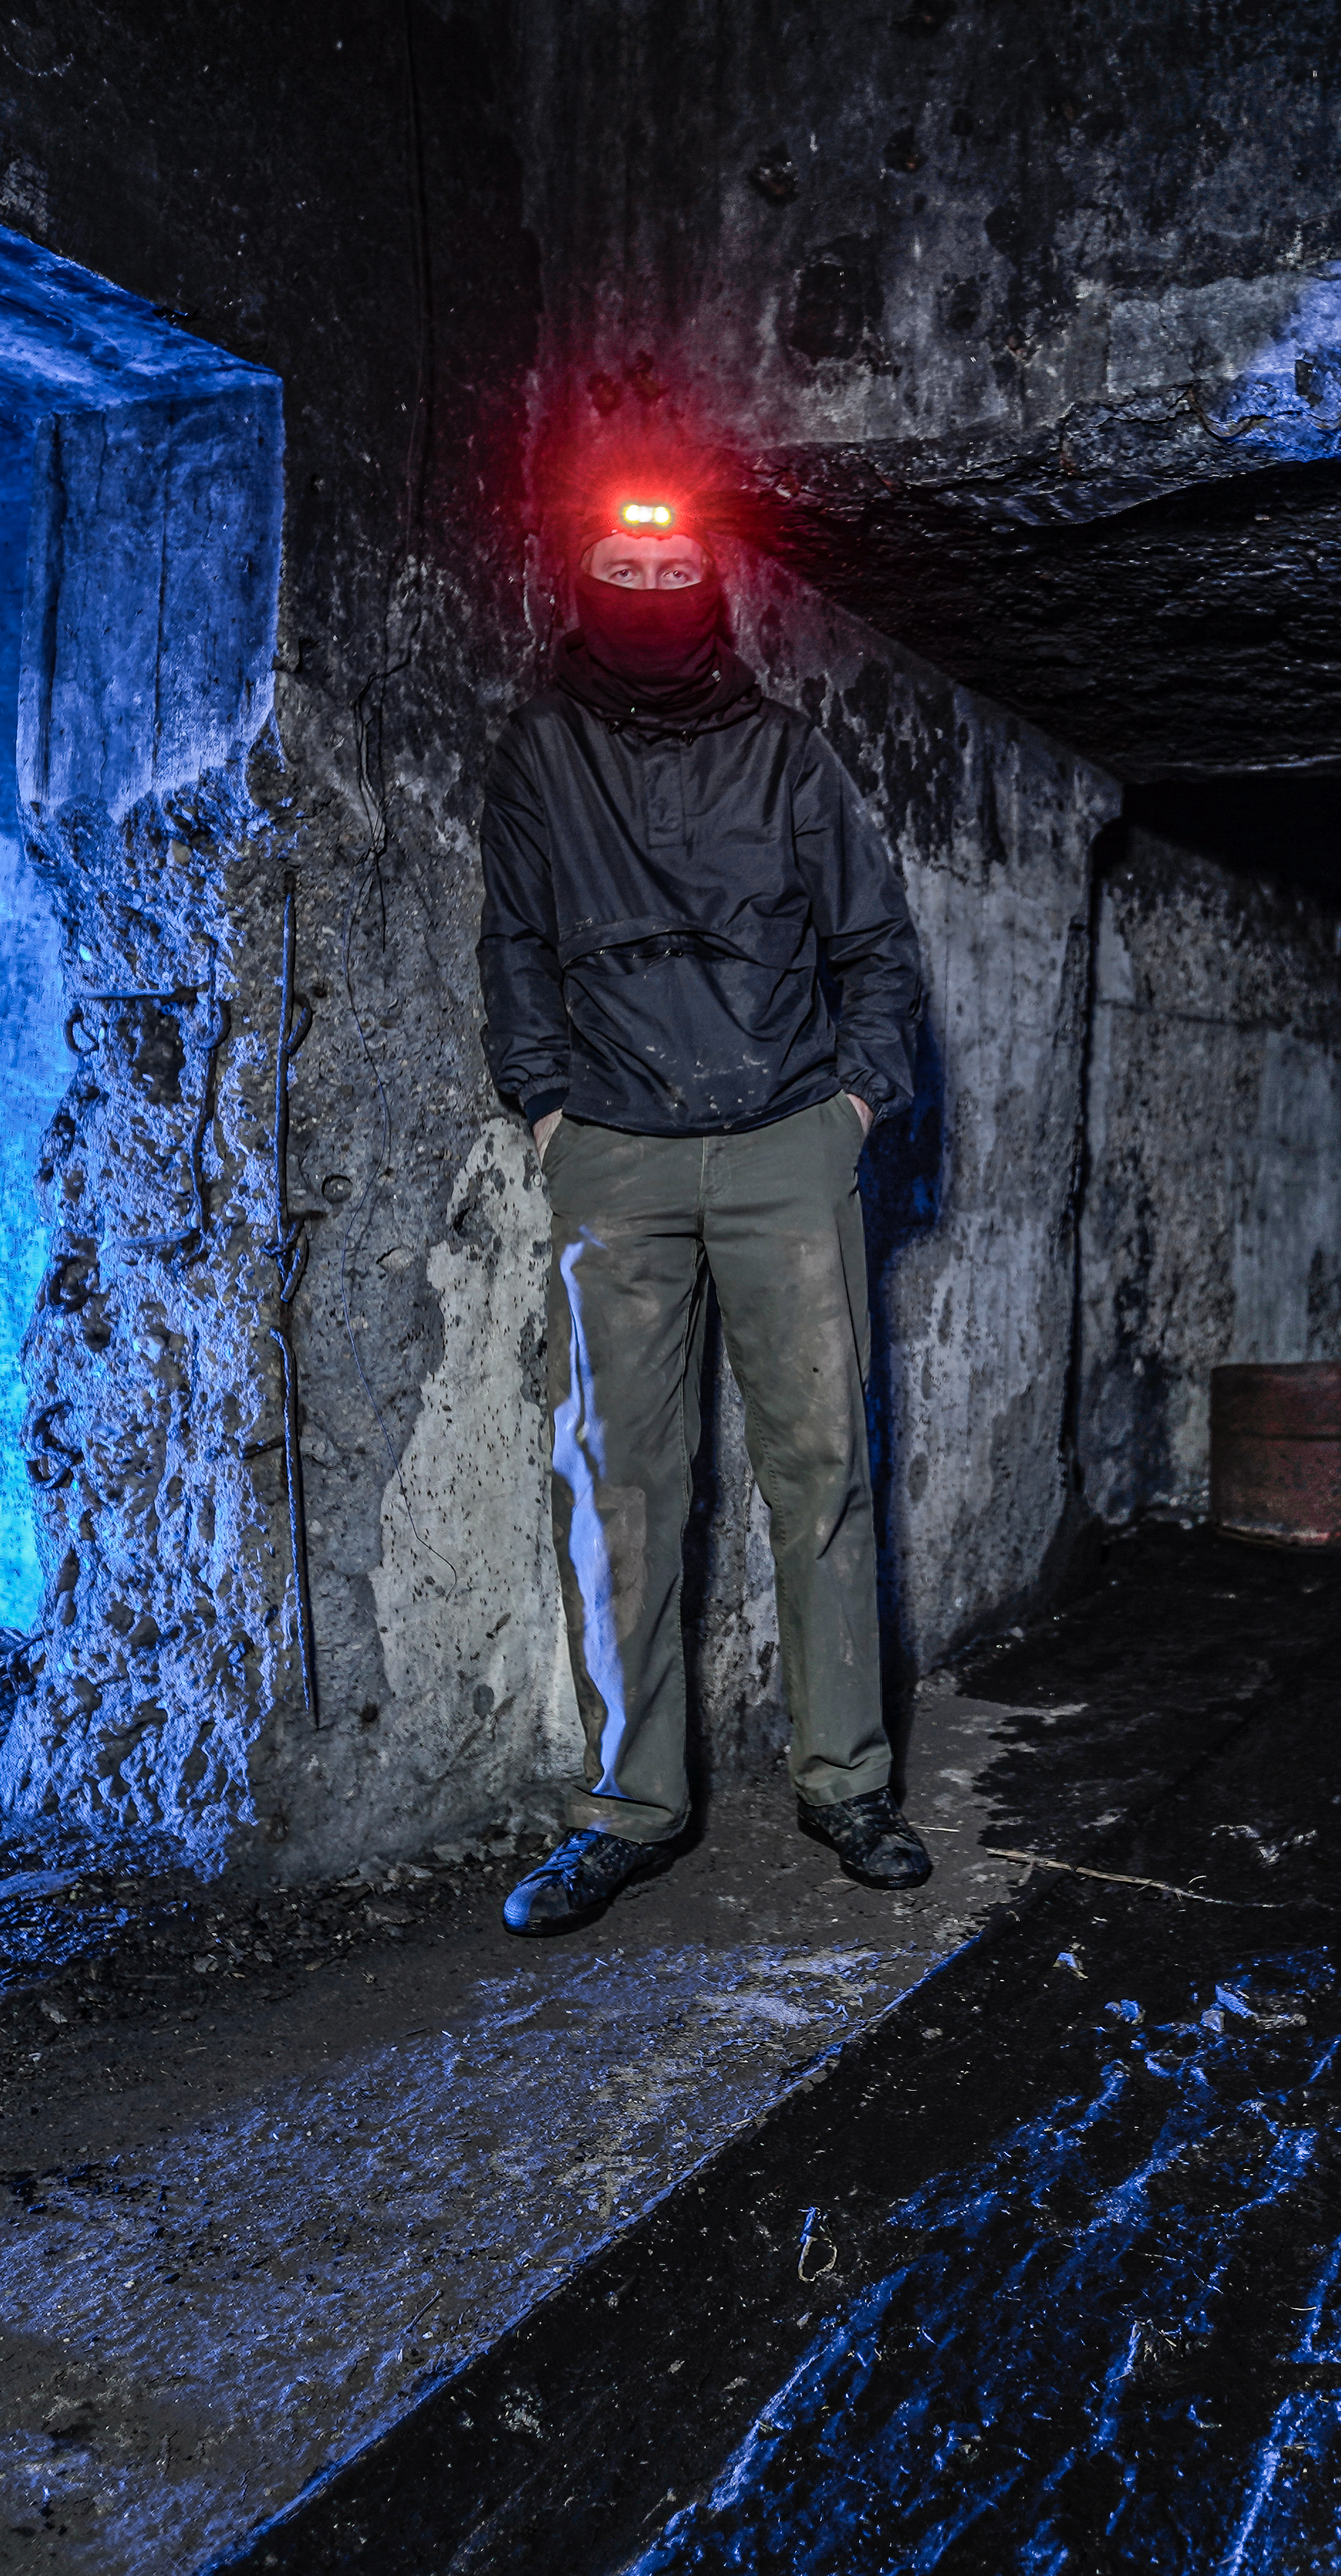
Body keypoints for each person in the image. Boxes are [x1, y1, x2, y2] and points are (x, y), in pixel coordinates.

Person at [474, 494, 935, 1936]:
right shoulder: (542, 753)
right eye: (627, 567)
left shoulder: (789, 753)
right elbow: (514, 946)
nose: (654, 589)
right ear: (585, 579)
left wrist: (852, 1105)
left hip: (785, 1139)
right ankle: (631, 1804)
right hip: (615, 1152)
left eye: (679, 568)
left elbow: (874, 945)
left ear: (710, 588)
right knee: (618, 1481)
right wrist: (552, 1111)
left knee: (823, 1466)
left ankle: (847, 1780)